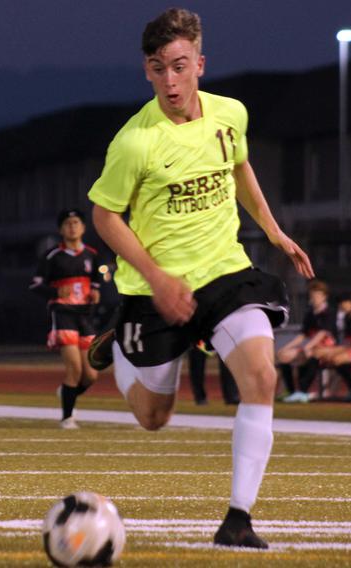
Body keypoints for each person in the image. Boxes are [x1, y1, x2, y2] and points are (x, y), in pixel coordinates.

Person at [85, 8, 313, 549]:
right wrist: (156, 278)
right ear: (146, 70)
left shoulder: (230, 114)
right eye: (158, 68)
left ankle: (238, 519)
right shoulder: (135, 142)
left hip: (225, 272)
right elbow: (103, 216)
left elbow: (239, 167)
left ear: (199, 65)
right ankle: (120, 339)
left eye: (179, 66)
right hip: (153, 290)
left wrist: (275, 233)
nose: (170, 80)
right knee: (154, 417)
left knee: (262, 375)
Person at [29, 209, 102, 429]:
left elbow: (97, 281)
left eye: (76, 222)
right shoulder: (52, 256)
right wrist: (54, 293)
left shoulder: (92, 254)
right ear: (61, 229)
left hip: (84, 316)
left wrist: (96, 292)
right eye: (68, 223)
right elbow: (35, 285)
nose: (72, 227)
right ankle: (67, 418)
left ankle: (67, 393)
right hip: (63, 314)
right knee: (75, 369)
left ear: (83, 227)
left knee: (91, 375)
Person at [278, 279, 337, 403]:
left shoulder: (329, 312)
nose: (314, 298)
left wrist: (308, 346)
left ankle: (303, 392)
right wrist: (287, 347)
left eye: (317, 295)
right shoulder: (310, 313)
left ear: (324, 297)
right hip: (311, 347)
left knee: (310, 354)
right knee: (283, 356)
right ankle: (292, 391)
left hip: (327, 347)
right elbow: (303, 335)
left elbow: (322, 333)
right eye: (312, 295)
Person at [309, 294, 351, 402]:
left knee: (336, 359)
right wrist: (332, 351)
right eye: (341, 303)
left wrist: (335, 352)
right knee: (319, 353)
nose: (342, 305)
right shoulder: (348, 317)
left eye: (345, 302)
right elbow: (347, 343)